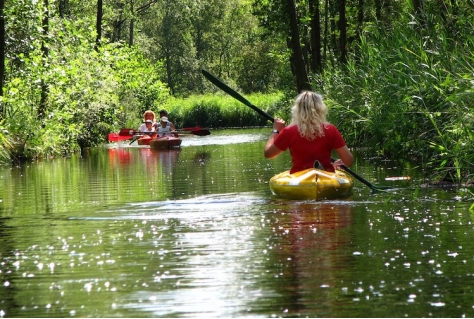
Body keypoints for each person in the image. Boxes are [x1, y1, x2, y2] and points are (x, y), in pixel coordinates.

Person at [264, 91, 353, 173]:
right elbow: (348, 161)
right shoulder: (330, 129)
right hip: (326, 176)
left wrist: (276, 130)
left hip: (299, 178)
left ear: (297, 109)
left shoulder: (289, 131)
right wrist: (340, 162)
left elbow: (269, 154)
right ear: (320, 109)